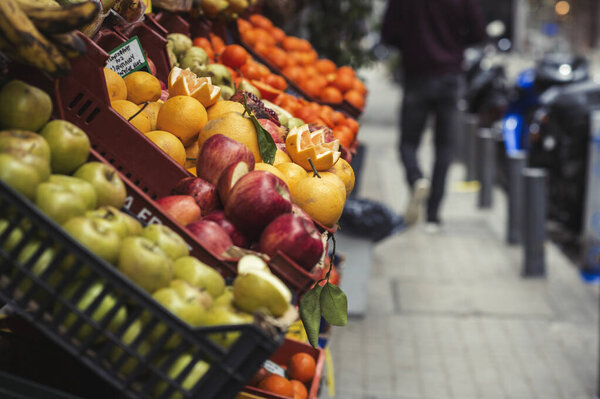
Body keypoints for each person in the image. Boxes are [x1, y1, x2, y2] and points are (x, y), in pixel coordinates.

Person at [381, 0, 487, 231]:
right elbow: (479, 32)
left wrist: (411, 44)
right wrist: (454, 43)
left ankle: (417, 178)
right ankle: (433, 215)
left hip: (416, 76)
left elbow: (388, 34)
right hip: (451, 77)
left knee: (408, 143)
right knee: (445, 147)